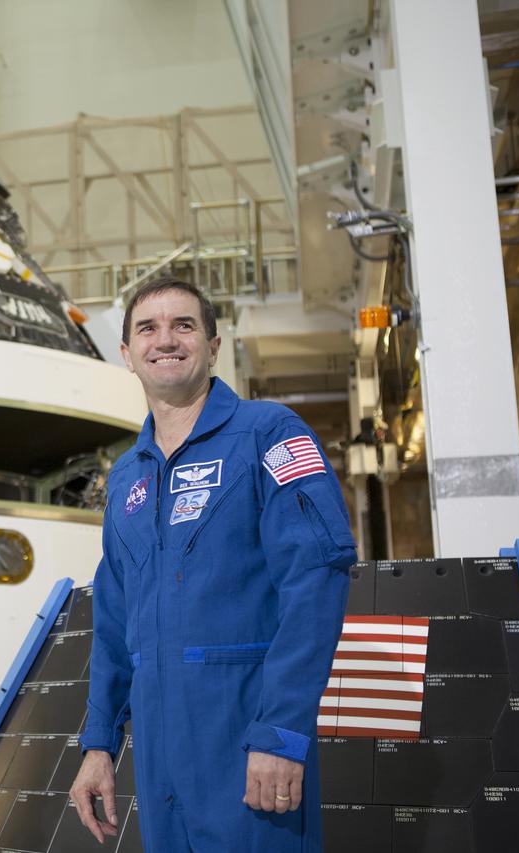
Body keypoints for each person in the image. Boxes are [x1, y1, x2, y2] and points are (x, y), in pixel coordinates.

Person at [69, 279, 355, 851]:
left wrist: (281, 733)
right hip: (159, 761)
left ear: (213, 344)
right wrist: (99, 744)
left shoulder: (268, 434)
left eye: (184, 325)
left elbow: (315, 582)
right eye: (147, 328)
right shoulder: (128, 477)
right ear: (127, 355)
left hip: (246, 743)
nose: (165, 340)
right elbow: (114, 620)